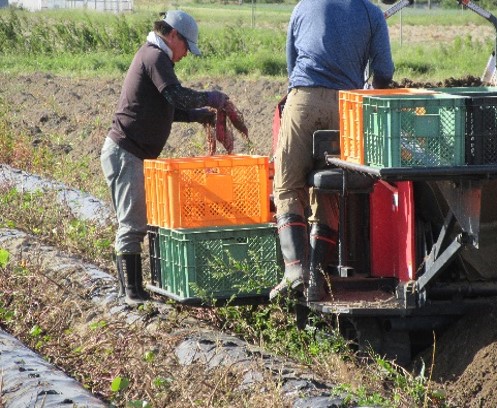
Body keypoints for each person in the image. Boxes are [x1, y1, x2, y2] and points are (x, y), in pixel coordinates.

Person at [100, 10, 231, 306]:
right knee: (133, 224)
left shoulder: (155, 57)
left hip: (132, 153)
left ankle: (129, 290)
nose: (185, 55)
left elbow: (170, 106)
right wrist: (210, 98)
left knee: (134, 222)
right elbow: (176, 96)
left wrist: (199, 116)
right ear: (174, 36)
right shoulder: (154, 57)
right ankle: (131, 293)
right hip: (126, 152)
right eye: (186, 47)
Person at [270, 0, 394, 302]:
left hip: (305, 98)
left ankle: (295, 270)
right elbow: (384, 72)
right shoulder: (371, 12)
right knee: (329, 188)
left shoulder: (304, 6)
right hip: (346, 107)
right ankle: (317, 279)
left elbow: (292, 60)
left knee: (287, 184)